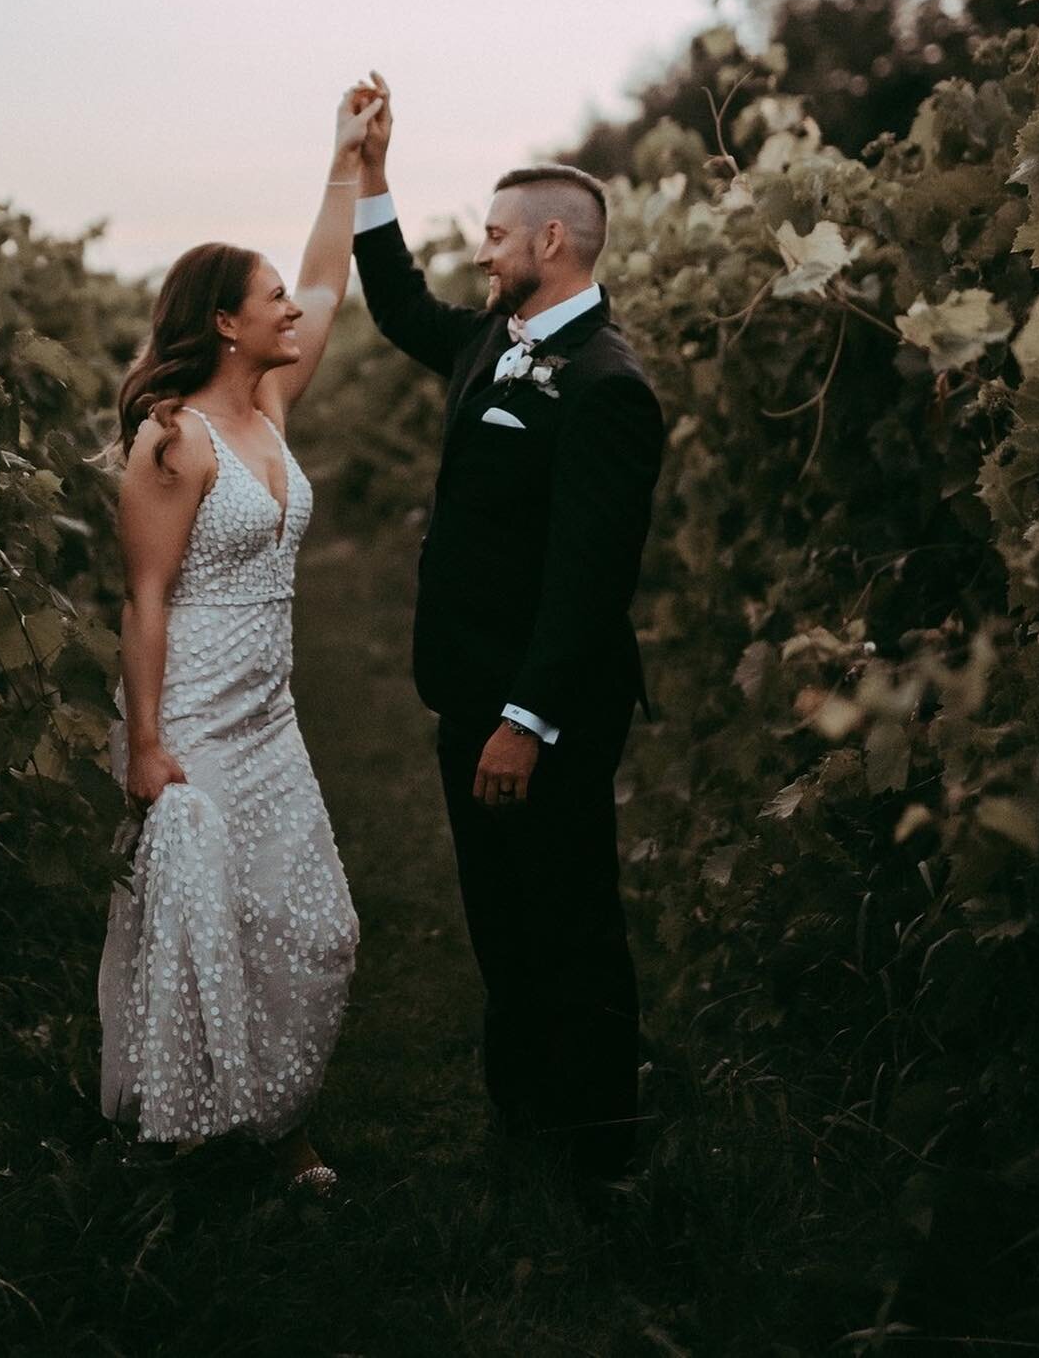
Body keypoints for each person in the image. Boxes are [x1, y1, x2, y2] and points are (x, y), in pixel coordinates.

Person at [350, 75, 665, 1192]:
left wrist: (526, 720)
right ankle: (521, 1118)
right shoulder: (498, 338)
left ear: (550, 239)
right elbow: (396, 309)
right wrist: (368, 171)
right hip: (469, 691)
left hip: (543, 709)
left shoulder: (606, 384)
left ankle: (597, 1161)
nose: (480, 255)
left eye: (491, 235)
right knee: (500, 918)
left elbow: (588, 579)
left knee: (571, 922)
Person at [96, 83, 384, 1191]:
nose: (292, 311)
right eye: (268, 301)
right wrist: (145, 744)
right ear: (226, 321)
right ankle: (218, 1140)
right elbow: (145, 598)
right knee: (202, 921)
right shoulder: (174, 441)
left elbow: (326, 274)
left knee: (315, 924)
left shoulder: (270, 410)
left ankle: (274, 1107)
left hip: (273, 710)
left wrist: (344, 161)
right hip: (196, 706)